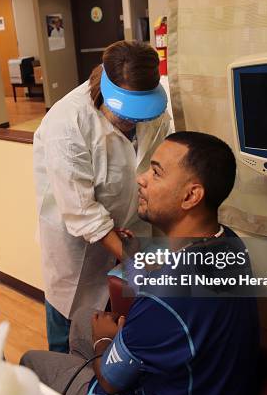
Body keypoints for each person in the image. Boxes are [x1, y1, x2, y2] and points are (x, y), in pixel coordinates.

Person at [22, 131, 260, 395]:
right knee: (82, 318)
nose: (141, 178)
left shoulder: (164, 300)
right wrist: (133, 260)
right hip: (209, 382)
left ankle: (82, 389)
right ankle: (79, 376)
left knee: (33, 361)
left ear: (191, 196)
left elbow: (111, 382)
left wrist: (103, 343)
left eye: (156, 173)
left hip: (135, 393)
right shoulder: (229, 241)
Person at [33, 40, 172, 353]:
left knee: (118, 325)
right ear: (106, 86)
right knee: (67, 327)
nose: (133, 122)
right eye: (126, 112)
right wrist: (133, 256)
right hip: (76, 246)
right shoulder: (68, 121)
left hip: (132, 231)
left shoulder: (156, 110)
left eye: (141, 113)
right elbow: (80, 211)